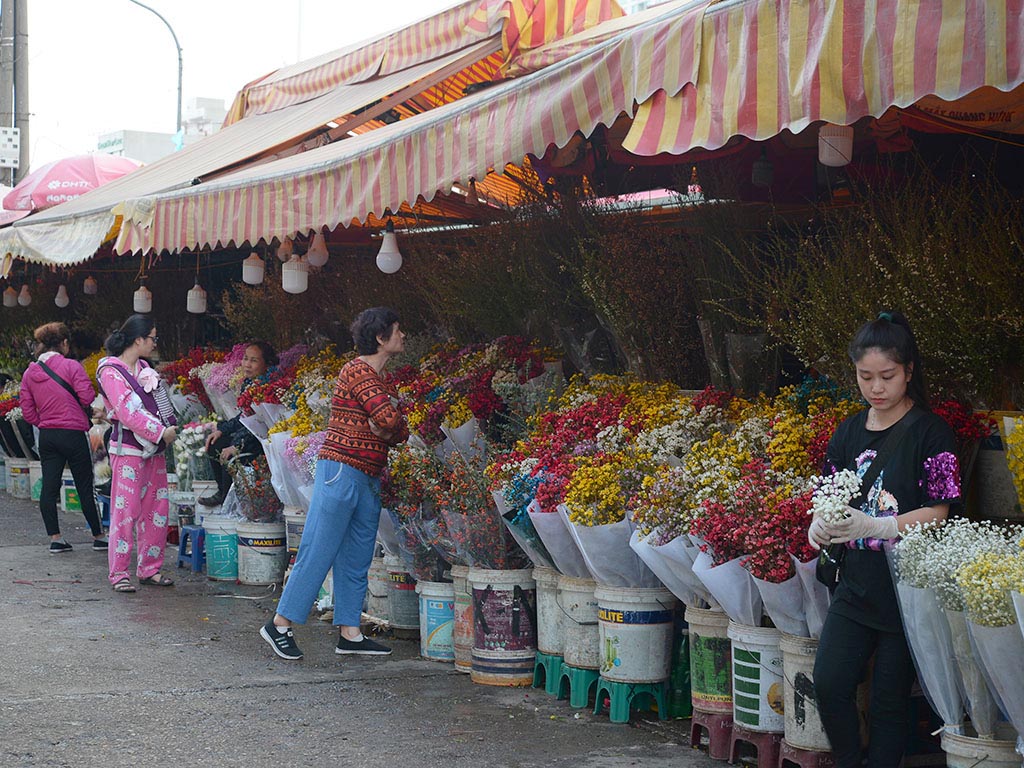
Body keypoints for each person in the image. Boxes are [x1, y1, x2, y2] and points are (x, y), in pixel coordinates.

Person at [807, 311, 961, 768]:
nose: (876, 387)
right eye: (865, 376)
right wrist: (819, 524)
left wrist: (880, 526)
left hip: (908, 592)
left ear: (908, 372)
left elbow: (941, 512)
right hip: (856, 586)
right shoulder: (849, 431)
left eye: (887, 376)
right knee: (830, 683)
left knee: (889, 704)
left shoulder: (934, 434)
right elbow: (830, 495)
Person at [260, 307, 408, 660]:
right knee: (319, 547)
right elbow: (388, 417)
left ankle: (350, 632)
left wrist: (390, 425)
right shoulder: (357, 371)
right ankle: (279, 624)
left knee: (356, 554)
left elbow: (399, 431)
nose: (403, 337)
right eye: (398, 331)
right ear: (380, 337)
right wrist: (388, 422)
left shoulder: (380, 379)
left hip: (367, 474)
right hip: (341, 470)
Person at [97, 315, 178, 593]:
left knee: (157, 509)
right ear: (138, 339)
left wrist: (168, 429)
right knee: (125, 511)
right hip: (129, 449)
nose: (155, 344)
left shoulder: (145, 368)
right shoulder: (110, 372)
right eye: (153, 338)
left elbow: (159, 402)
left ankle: (150, 569)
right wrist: (161, 432)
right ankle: (119, 573)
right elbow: (127, 412)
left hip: (154, 450)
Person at [19, 322, 107, 554]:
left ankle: (56, 538)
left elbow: (27, 412)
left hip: (48, 436)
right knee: (84, 485)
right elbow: (87, 397)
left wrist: (46, 423)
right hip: (73, 434)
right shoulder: (71, 366)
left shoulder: (29, 373)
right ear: (64, 343)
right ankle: (98, 536)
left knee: (49, 486)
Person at [198, 341, 278, 507]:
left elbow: (261, 424)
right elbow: (243, 416)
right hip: (249, 434)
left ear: (266, 363)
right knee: (216, 443)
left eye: (254, 360)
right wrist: (221, 430)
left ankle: (230, 503)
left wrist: (238, 446)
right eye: (245, 358)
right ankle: (222, 493)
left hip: (262, 440)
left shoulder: (269, 386)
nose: (247, 364)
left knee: (231, 454)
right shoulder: (249, 383)